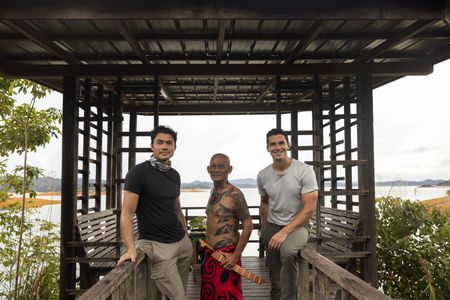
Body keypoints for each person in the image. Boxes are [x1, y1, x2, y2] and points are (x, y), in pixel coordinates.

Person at [117, 125, 193, 300]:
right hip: (158, 246)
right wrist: (130, 248)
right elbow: (127, 213)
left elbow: (177, 208)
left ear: (174, 147)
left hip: (182, 244)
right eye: (160, 142)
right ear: (152, 146)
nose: (164, 146)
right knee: (178, 297)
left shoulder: (174, 175)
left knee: (180, 292)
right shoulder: (138, 173)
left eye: (169, 143)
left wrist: (186, 235)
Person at [257, 128, 318, 300]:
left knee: (288, 251)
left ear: (288, 145)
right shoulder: (263, 175)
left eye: (281, 143)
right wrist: (264, 228)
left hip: (299, 225)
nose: (277, 147)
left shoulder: (305, 171)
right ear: (267, 148)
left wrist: (284, 232)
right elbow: (265, 202)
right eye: (273, 144)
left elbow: (309, 209)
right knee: (275, 272)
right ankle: (276, 296)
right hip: (273, 225)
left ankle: (290, 297)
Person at [201, 153, 254, 300]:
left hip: (227, 256)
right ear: (208, 169)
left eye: (221, 166)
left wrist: (235, 256)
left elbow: (248, 225)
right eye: (213, 166)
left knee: (226, 295)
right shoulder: (213, 192)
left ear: (229, 169)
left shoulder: (235, 194)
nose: (216, 170)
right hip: (210, 255)